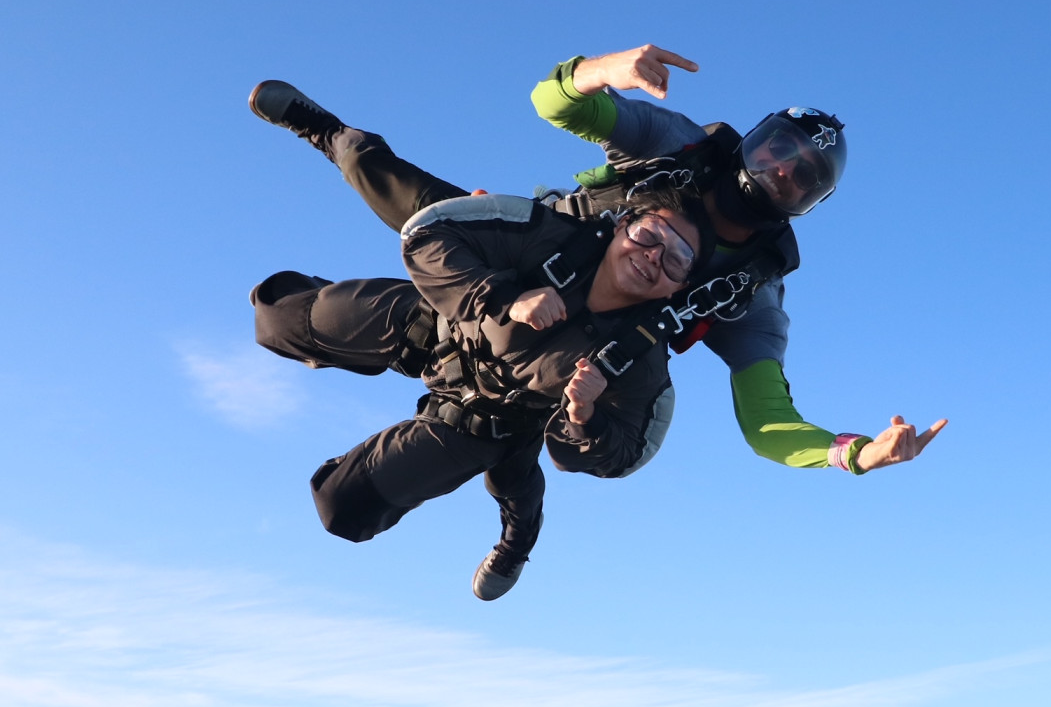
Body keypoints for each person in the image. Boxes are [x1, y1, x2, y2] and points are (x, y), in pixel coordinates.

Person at [248, 44, 947, 479]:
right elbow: (550, 102)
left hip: (574, 350)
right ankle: (328, 132)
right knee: (383, 187)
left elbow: (767, 424)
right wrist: (599, 73)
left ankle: (511, 471)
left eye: (800, 177)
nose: (778, 173)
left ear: (807, 205)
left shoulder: (751, 290)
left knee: (418, 471)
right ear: (753, 141)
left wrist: (855, 454)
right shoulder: (678, 147)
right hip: (533, 253)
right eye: (775, 151)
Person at [253, 188, 709, 600]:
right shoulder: (553, 234)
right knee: (275, 322)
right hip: (438, 329)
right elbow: (426, 233)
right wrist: (502, 295)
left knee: (343, 508)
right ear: (622, 224)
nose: (653, 257)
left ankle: (519, 537)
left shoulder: (638, 358)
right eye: (650, 234)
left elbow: (625, 453)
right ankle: (340, 333)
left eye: (676, 259)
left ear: (680, 286)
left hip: (490, 419)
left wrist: (585, 415)